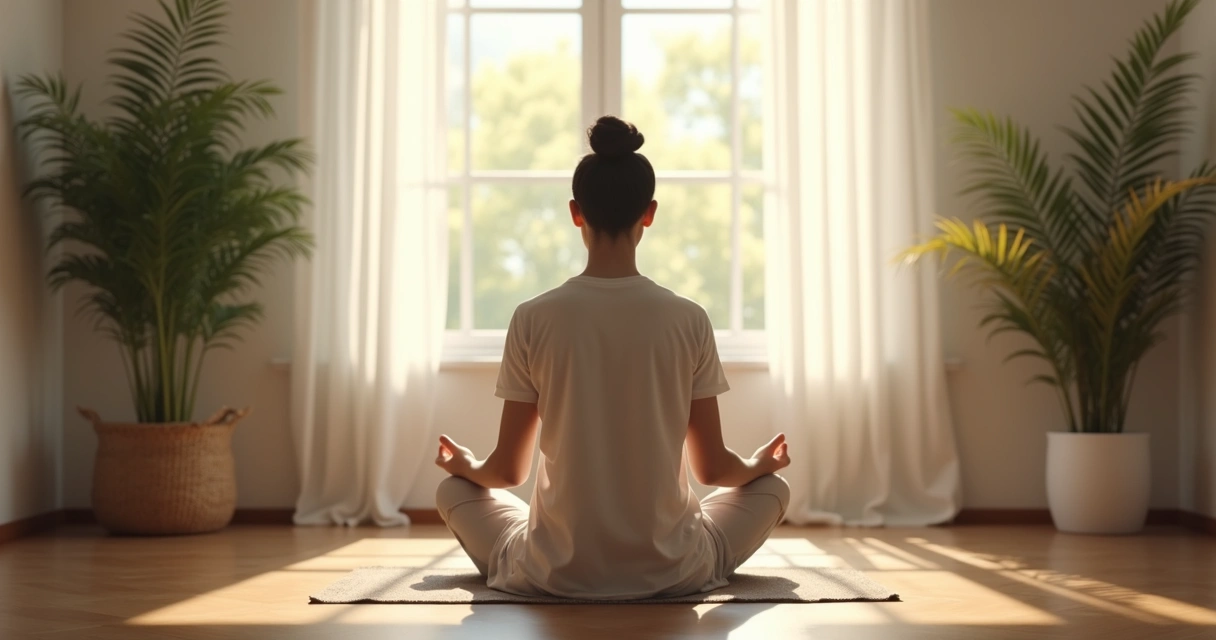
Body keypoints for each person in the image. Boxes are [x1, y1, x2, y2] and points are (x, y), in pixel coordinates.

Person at [433, 115, 791, 600]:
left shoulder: (533, 317)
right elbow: (713, 471)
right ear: (650, 212)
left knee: (452, 493)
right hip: (673, 569)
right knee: (774, 491)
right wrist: (759, 463)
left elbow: (506, 474)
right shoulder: (688, 319)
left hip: (555, 572)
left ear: (575, 212)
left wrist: (467, 466)